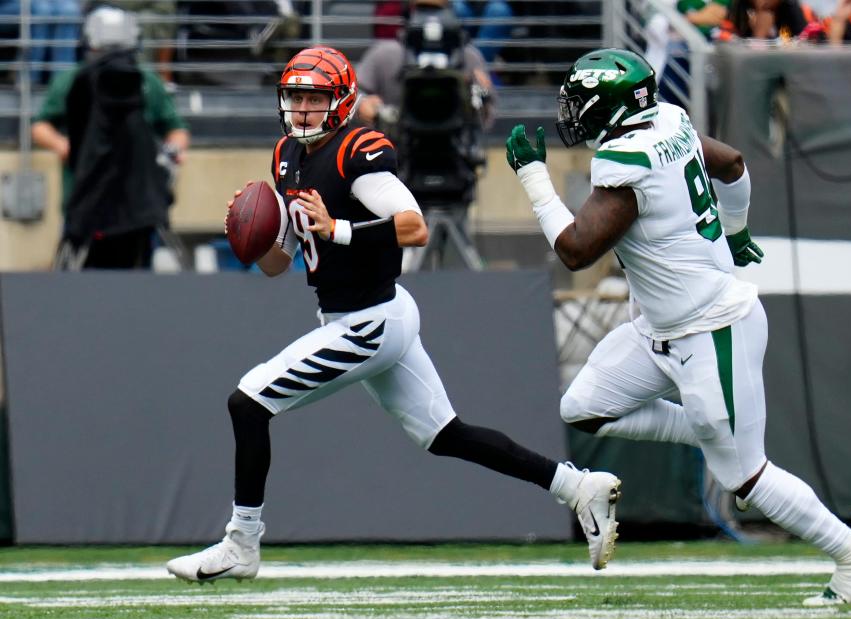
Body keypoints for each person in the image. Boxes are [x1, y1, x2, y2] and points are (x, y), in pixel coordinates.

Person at [165, 45, 622, 583]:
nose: (301, 108)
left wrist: (336, 227)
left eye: (313, 98)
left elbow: (414, 226)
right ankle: (578, 487)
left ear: (340, 103)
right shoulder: (287, 155)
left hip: (367, 321)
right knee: (447, 434)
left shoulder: (357, 152)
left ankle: (242, 543)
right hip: (366, 316)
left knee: (248, 402)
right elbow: (278, 263)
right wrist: (252, 238)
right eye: (295, 96)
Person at [504, 47, 851, 606]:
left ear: (609, 107)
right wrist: (735, 228)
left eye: (581, 103)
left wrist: (535, 180)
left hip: (712, 328)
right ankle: (715, 429)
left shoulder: (626, 158)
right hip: (660, 329)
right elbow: (732, 162)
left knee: (747, 479)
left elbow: (575, 250)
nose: (574, 114)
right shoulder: (669, 118)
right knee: (584, 407)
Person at [31, 5, 189, 269]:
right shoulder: (74, 80)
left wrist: (169, 152)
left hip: (138, 203)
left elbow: (176, 128)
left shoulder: (147, 81)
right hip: (85, 199)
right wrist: (68, 146)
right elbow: (40, 126)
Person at [356, 0, 495, 130]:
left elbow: (486, 119)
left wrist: (484, 98)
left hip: (455, 147)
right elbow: (352, 93)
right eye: (422, 10)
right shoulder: (384, 54)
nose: (429, 17)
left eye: (437, 10)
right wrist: (362, 104)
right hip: (396, 147)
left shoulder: (467, 57)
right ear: (408, 12)